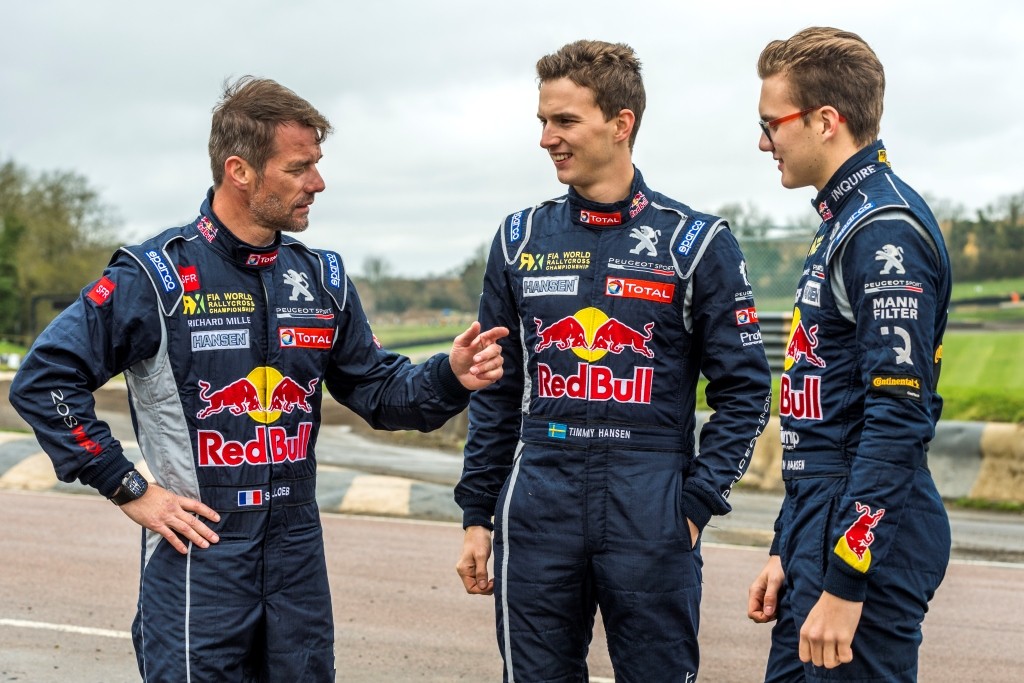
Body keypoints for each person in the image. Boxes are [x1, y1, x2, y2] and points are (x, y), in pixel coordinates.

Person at [8, 76, 508, 682]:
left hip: (296, 548)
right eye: (299, 168)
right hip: (200, 549)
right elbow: (44, 380)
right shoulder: (156, 275)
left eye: (317, 166)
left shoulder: (320, 277)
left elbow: (378, 390)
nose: (317, 184)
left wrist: (450, 376)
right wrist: (128, 487)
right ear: (240, 171)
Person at [454, 39, 773, 681]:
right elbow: (494, 389)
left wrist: (696, 503)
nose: (547, 138)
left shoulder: (696, 242)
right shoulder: (519, 239)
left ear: (621, 123)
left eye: (565, 121)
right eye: (543, 121)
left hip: (651, 499)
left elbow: (746, 392)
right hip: (540, 494)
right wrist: (477, 514)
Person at [747, 27, 952, 681]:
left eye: (769, 123)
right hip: (820, 517)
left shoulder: (883, 230)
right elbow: (824, 407)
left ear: (825, 120)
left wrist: (846, 578)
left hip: (868, 534)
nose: (762, 142)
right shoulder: (842, 220)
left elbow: (897, 417)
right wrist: (788, 544)